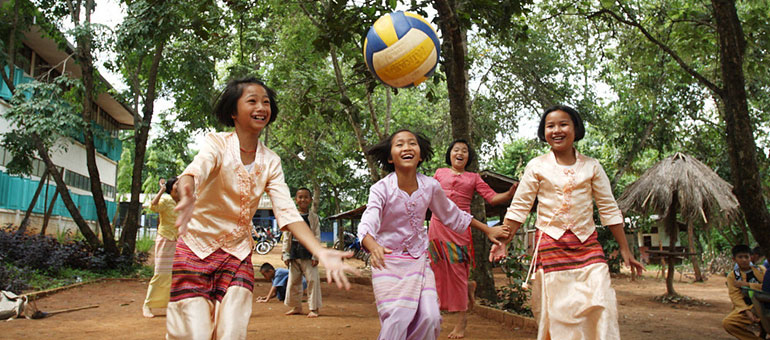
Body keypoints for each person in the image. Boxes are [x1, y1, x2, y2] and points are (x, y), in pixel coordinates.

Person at [169, 77, 358, 340]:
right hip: (195, 248)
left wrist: (319, 250)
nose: (261, 107)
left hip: (236, 254)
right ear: (233, 112)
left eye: (266, 102)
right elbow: (195, 170)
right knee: (193, 333)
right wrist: (187, 189)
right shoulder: (217, 143)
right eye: (252, 101)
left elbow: (287, 211)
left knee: (232, 332)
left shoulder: (271, 161)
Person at [491, 105, 644, 340]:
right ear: (544, 132)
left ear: (575, 129)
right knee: (560, 315)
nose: (556, 130)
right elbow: (519, 207)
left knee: (601, 302)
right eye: (550, 126)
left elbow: (609, 209)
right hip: (552, 248)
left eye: (563, 124)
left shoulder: (592, 166)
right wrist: (504, 240)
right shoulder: (536, 166)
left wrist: (625, 249)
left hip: (588, 247)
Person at [358, 129, 511, 340]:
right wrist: (372, 245)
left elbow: (453, 214)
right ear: (390, 157)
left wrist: (487, 229)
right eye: (399, 144)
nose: (406, 147)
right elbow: (368, 220)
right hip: (387, 261)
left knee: (430, 317)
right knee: (398, 317)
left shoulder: (430, 186)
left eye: (412, 143)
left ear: (420, 155)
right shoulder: (380, 189)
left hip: (419, 262)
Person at [428, 139, 517, 339]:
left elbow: (492, 198)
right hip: (436, 226)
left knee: (458, 270)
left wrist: (510, 193)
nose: (460, 153)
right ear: (449, 154)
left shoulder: (474, 177)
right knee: (437, 267)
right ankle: (453, 299)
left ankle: (461, 322)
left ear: (469, 157)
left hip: (460, 228)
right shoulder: (439, 173)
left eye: (465, 151)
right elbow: (427, 196)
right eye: (456, 150)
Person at [142, 177, 180, 318]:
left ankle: (172, 304)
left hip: (179, 241)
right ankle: (148, 304)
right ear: (171, 187)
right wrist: (161, 190)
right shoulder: (166, 199)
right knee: (160, 273)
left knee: (176, 275)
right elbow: (153, 206)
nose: (180, 186)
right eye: (177, 184)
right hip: (165, 239)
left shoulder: (184, 202)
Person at [282, 187, 322, 318]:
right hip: (294, 252)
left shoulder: (314, 218)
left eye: (306, 197)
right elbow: (287, 236)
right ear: (296, 200)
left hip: (309, 253)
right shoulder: (291, 216)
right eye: (300, 197)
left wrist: (316, 254)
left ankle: (314, 308)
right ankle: (296, 306)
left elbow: (316, 236)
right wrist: (285, 253)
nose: (303, 199)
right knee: (293, 281)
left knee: (312, 281)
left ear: (310, 200)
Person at [723, 244, 765, 340]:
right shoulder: (733, 276)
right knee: (728, 323)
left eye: (746, 257)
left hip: (764, 305)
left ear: (751, 257)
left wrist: (747, 285)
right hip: (748, 307)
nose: (744, 260)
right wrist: (746, 311)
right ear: (734, 259)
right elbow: (735, 296)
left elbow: (766, 287)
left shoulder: (761, 270)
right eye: (740, 257)